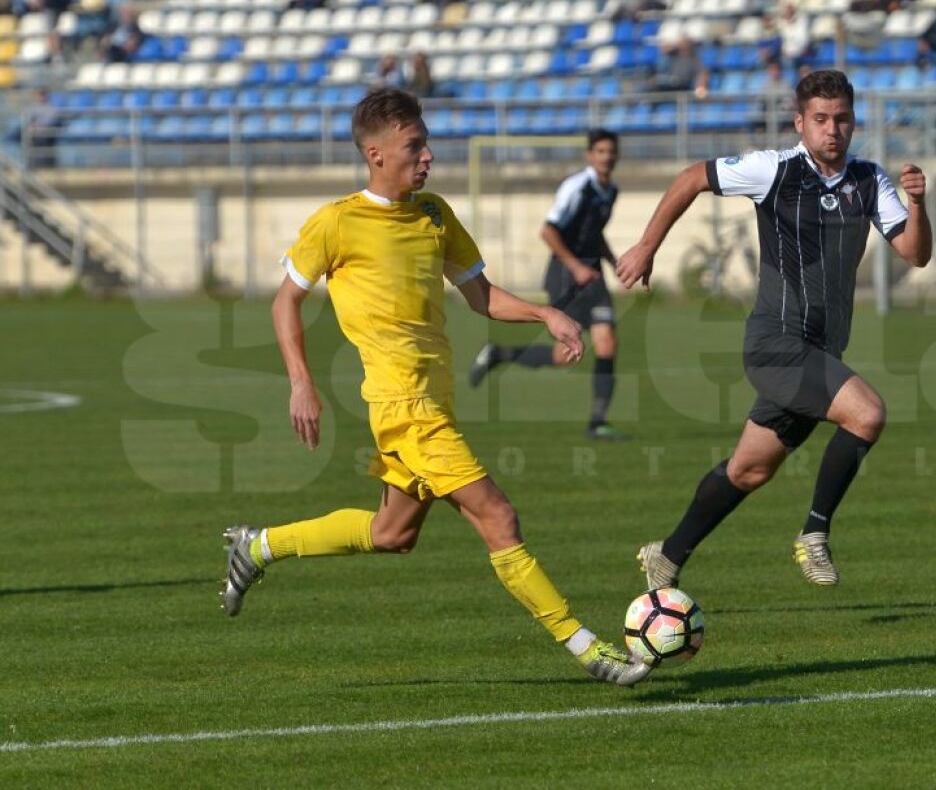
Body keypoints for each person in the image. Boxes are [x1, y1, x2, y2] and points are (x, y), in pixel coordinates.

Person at [219, 88, 650, 687]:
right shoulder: (337, 222)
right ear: (375, 154)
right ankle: (588, 649)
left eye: (425, 143)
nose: (427, 155)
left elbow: (482, 296)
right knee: (499, 517)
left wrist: (546, 314)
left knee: (391, 533)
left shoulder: (435, 215)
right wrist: (301, 383)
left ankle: (259, 547)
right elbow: (285, 300)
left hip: (433, 402)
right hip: (406, 410)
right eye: (413, 145)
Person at [615, 70, 931, 590]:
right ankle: (814, 533)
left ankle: (667, 556)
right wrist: (647, 246)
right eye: (822, 119)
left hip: (819, 351)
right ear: (800, 122)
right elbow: (694, 176)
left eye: (843, 119)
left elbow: (915, 254)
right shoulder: (774, 169)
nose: (833, 130)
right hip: (776, 345)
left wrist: (918, 203)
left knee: (748, 471)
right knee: (868, 414)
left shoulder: (869, 181)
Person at [468, 129, 627, 440]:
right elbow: (548, 232)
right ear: (589, 155)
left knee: (607, 342)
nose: (607, 157)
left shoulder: (612, 190)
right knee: (563, 355)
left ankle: (598, 423)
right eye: (601, 151)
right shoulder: (577, 187)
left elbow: (594, 233)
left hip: (592, 275)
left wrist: (614, 261)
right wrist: (576, 266)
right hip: (566, 274)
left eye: (611, 151)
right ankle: (500, 354)